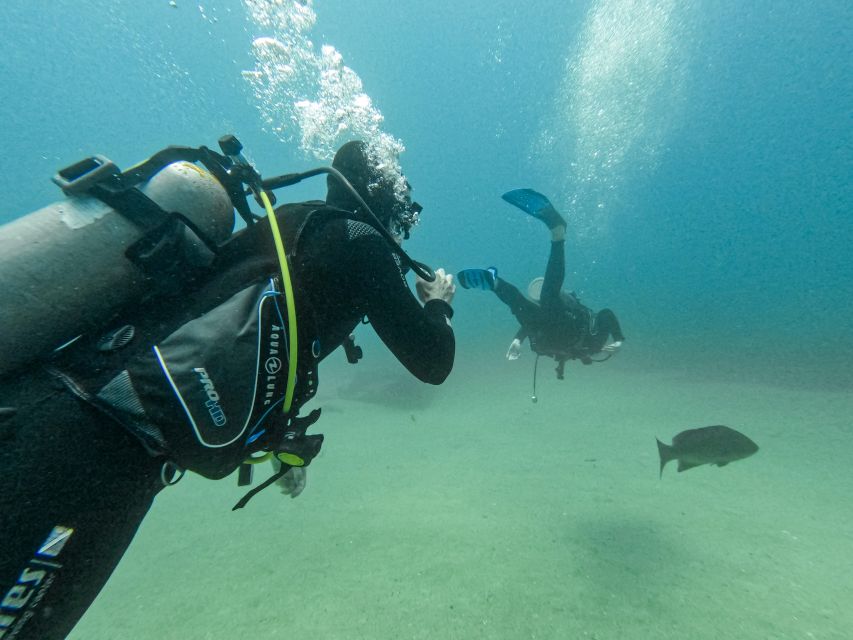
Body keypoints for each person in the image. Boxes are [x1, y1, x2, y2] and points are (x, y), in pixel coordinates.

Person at [0, 139, 455, 640]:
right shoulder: (360, 240)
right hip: (99, 455)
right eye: (398, 196)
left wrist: (279, 444)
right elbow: (433, 362)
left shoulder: (291, 223)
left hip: (54, 398)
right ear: (379, 193)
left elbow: (226, 330)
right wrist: (439, 303)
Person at [457, 188, 623, 380]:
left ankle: (495, 283)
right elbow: (606, 315)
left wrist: (517, 340)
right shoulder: (593, 345)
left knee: (528, 306)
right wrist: (618, 339)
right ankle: (497, 280)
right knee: (538, 302)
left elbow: (605, 314)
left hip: (556, 329)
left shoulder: (591, 344)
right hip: (558, 327)